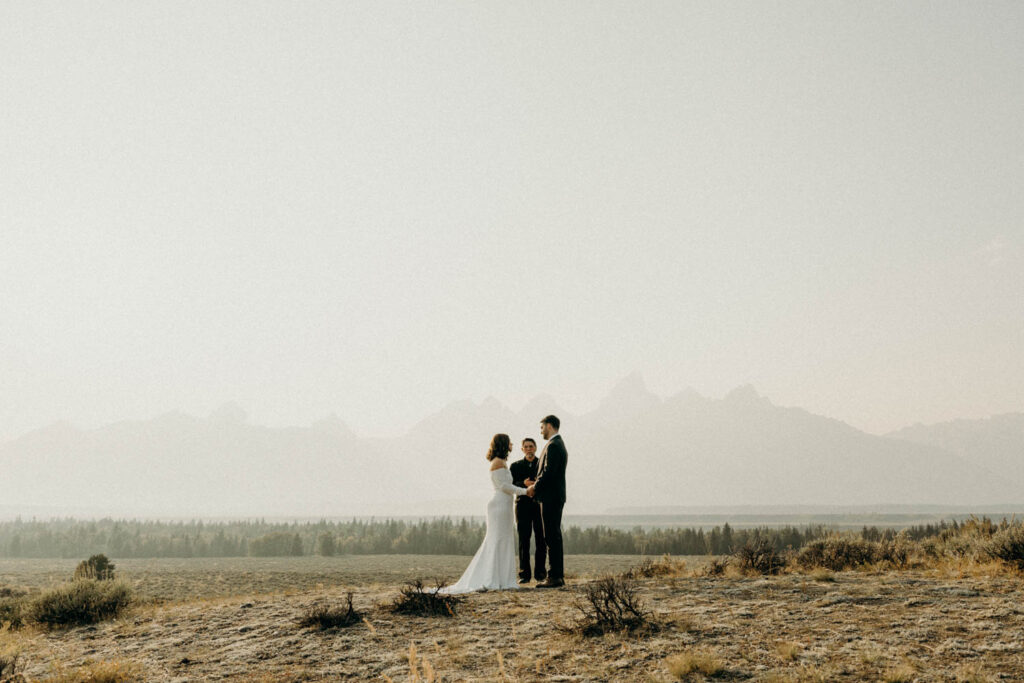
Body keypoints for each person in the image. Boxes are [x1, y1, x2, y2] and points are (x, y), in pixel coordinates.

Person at [439, 434, 529, 594]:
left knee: (502, 540)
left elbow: (507, 486)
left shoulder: (500, 462)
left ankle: (501, 578)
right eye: (509, 442)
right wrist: (525, 491)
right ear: (503, 444)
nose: (512, 444)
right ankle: (494, 578)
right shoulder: (499, 463)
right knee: (498, 540)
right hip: (500, 505)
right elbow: (505, 487)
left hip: (503, 505)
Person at [526, 415, 568, 588]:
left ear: (549, 426)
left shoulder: (554, 446)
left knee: (551, 536)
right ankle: (556, 575)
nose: (541, 430)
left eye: (542, 427)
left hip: (551, 497)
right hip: (552, 496)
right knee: (552, 535)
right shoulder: (556, 444)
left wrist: (534, 487)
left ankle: (555, 576)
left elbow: (548, 473)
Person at [509, 437, 546, 584]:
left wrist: (536, 485)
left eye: (531, 446)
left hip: (539, 505)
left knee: (541, 540)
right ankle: (524, 574)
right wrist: (523, 484)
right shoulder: (515, 466)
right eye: (526, 446)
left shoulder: (542, 464)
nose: (529, 449)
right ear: (522, 449)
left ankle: (540, 574)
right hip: (522, 506)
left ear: (535, 448)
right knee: (524, 540)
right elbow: (510, 484)